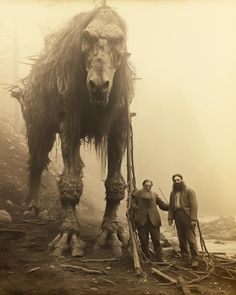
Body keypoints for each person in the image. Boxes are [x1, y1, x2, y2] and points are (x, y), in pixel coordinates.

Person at [131, 179, 169, 261]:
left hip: (154, 220)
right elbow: (132, 203)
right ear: (143, 186)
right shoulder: (137, 193)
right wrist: (136, 208)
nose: (148, 187)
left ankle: (160, 257)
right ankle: (145, 257)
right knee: (143, 240)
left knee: (156, 240)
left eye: (149, 186)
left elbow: (162, 205)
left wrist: (170, 207)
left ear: (151, 186)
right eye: (146, 186)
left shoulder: (155, 195)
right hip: (141, 220)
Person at [168, 174, 199, 267]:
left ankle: (195, 260)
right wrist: (170, 218)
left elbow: (194, 205)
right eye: (175, 180)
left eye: (178, 180)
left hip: (187, 217)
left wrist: (193, 219)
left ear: (182, 180)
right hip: (178, 217)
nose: (177, 182)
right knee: (181, 239)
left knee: (191, 239)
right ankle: (185, 258)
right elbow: (171, 207)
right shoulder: (172, 193)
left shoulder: (189, 191)